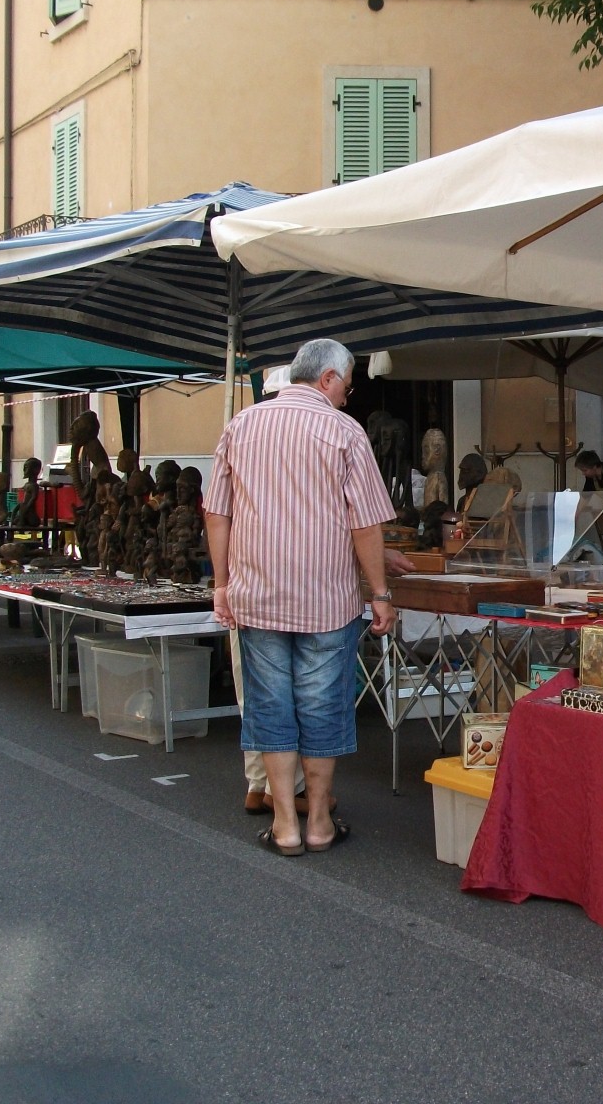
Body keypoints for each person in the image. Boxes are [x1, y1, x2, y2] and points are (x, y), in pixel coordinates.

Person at [206, 338, 396, 856]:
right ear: (328, 378)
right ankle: (320, 824)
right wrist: (380, 594)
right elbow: (366, 523)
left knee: (270, 708)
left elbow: (216, 514)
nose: (348, 397)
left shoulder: (241, 426)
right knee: (321, 708)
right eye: (348, 387)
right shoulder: (343, 432)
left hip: (258, 595)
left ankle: (286, 826)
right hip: (325, 600)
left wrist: (221, 584)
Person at [240, 539, 417, 817]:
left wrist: (224, 586)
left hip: (255, 587)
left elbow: (220, 517)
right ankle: (311, 811)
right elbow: (357, 521)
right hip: (317, 593)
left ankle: (266, 794)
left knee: (267, 699)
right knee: (314, 701)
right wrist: (379, 588)